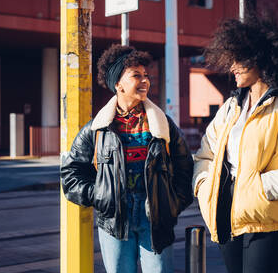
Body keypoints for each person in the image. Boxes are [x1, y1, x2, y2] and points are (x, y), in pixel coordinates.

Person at [192, 13, 278, 273]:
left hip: (264, 221)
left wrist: (261, 188)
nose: (231, 66)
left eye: (238, 59)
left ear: (260, 59)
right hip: (224, 214)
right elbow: (205, 155)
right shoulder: (230, 108)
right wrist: (204, 186)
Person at [61, 44, 194, 273]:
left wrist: (172, 203)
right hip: (114, 219)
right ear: (118, 84)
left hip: (155, 217)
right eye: (136, 76)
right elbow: (71, 174)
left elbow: (184, 166)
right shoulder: (97, 129)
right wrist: (100, 195)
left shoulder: (162, 124)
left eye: (146, 76)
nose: (145, 81)